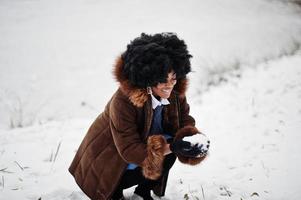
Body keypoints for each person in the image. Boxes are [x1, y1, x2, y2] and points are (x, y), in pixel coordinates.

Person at [69, 33, 210, 200]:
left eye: (173, 78)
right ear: (148, 78)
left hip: (141, 158)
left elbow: (184, 121)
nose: (170, 85)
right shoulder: (123, 102)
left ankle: (142, 193)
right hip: (110, 167)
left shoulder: (174, 93)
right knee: (170, 147)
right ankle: (115, 193)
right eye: (163, 80)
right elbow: (129, 149)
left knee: (173, 143)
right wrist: (173, 147)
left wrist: (192, 139)